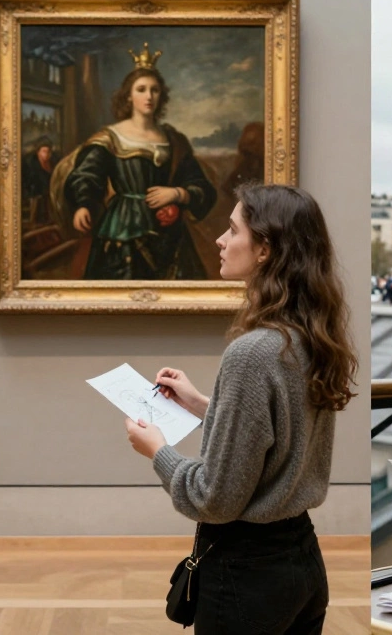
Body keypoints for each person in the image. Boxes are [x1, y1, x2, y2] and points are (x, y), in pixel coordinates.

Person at [123, 184, 358, 633]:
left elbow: (214, 499)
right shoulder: (310, 338)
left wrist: (156, 450)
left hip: (246, 574)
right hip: (303, 562)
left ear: (265, 248)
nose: (219, 240)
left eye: (232, 230)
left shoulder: (252, 353)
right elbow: (278, 437)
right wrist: (203, 404)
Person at [53, 43, 217, 280]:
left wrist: (178, 194)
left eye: (155, 90)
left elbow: (200, 184)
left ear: (162, 96)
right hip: (122, 229)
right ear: (128, 96)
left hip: (170, 233)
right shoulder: (110, 138)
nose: (149, 96)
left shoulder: (174, 140)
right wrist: (84, 204)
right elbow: (87, 176)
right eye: (141, 89)